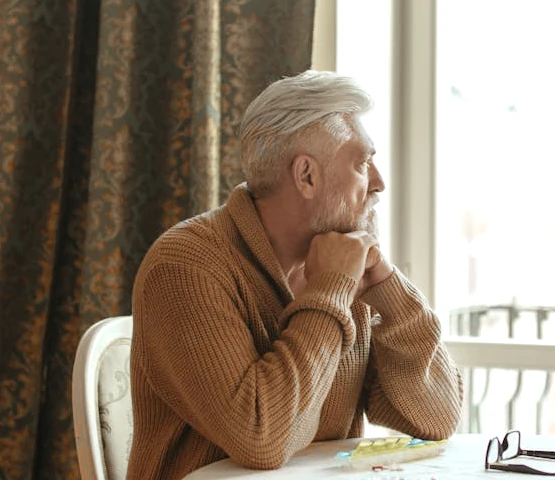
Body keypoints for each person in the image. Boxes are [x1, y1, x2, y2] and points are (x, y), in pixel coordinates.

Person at [126, 70, 463, 480]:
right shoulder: (185, 267)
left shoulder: (342, 263)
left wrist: (386, 286)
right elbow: (261, 438)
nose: (379, 182)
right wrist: (330, 291)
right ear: (306, 175)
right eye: (363, 163)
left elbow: (436, 418)